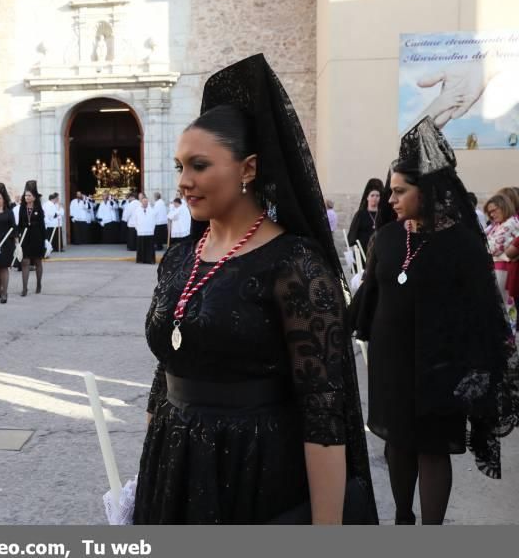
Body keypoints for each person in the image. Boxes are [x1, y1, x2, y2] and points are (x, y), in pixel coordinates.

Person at [134, 54, 377, 525]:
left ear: (248, 169)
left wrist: (326, 531)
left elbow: (323, 413)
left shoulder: (295, 265)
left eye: (199, 166)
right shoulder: (182, 255)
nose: (184, 182)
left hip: (255, 470)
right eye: (180, 166)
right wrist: (149, 477)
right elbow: (166, 370)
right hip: (174, 466)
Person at [351, 117, 519, 525]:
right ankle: (404, 519)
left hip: (439, 365)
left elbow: (480, 310)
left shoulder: (461, 244)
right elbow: (368, 297)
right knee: (397, 445)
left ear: (425, 190)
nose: (391, 199)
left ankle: (432, 534)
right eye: (390, 191)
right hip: (392, 364)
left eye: (400, 191)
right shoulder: (387, 239)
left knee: (431, 448)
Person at [484, 193, 519, 307]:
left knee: (504, 306)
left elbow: (493, 249)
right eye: (490, 213)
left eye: (494, 210)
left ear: (504, 207)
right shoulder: (500, 224)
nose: (492, 215)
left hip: (503, 270)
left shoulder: (510, 224)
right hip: (498, 267)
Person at [0, 183, 18, 304]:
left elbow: (14, 228)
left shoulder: (8, 212)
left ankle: (5, 293)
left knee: (4, 268)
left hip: (6, 244)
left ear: (3, 199)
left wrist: (17, 244)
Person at [17, 186, 46, 295]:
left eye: (29, 195)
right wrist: (18, 236)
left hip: (37, 237)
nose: (27, 197)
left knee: (38, 261)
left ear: (34, 197)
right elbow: (19, 223)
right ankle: (25, 288)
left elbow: (42, 225)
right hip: (25, 237)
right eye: (25, 195)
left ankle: (38, 284)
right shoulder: (22, 208)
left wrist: (45, 240)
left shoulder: (39, 209)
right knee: (25, 262)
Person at [347, 178, 383, 252]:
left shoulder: (382, 214)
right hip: (363, 250)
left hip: (379, 250)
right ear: (367, 197)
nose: (375, 198)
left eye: (377, 196)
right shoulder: (360, 214)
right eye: (372, 195)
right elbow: (352, 235)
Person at [135, 196, 156, 264]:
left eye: (146, 202)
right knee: (141, 246)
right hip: (141, 231)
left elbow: (154, 220)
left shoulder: (152, 210)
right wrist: (137, 228)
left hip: (149, 231)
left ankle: (150, 260)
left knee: (149, 247)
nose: (145, 203)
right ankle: (140, 260)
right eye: (144, 201)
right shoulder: (137, 210)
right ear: (141, 202)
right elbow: (135, 220)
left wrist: (152, 229)